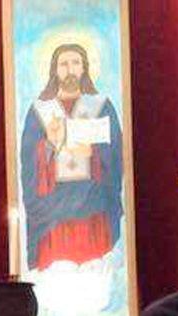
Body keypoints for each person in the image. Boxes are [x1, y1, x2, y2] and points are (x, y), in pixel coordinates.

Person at [19, 43, 123, 271]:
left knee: (94, 266)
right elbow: (27, 162)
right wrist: (49, 145)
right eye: (64, 64)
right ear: (54, 70)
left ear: (84, 68)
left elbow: (116, 154)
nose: (70, 69)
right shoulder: (39, 110)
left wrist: (93, 153)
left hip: (92, 202)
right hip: (54, 206)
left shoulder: (102, 106)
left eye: (76, 63)